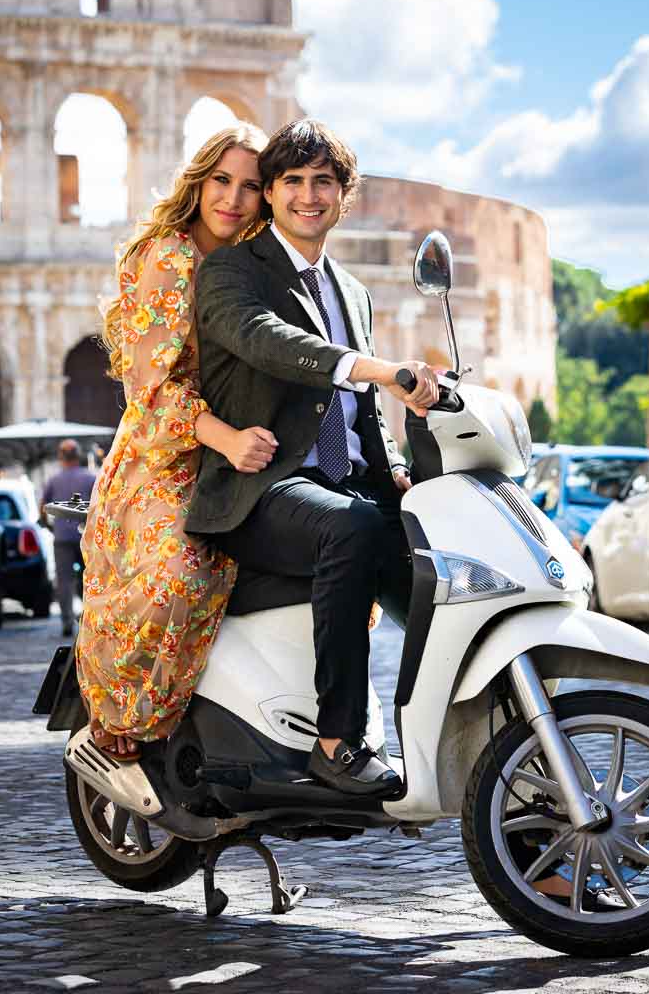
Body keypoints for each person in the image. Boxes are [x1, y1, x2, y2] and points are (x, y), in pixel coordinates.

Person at [186, 119, 439, 797]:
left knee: (450, 569)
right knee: (350, 529)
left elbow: (362, 416)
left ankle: (491, 742)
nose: (307, 195)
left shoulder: (353, 291)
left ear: (343, 194)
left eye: (322, 181)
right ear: (269, 194)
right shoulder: (232, 271)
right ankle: (336, 743)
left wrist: (395, 473)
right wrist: (377, 369)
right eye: (292, 181)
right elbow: (267, 340)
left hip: (349, 487)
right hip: (260, 491)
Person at [76, 124, 276, 762]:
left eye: (250, 186)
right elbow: (152, 389)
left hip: (241, 447)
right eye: (223, 180)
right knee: (179, 572)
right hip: (163, 457)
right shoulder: (171, 254)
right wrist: (227, 438)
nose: (234, 199)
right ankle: (118, 717)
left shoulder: (254, 262)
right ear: (199, 180)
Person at [40, 440, 96, 636]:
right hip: (87, 536)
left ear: (60, 457)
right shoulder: (91, 478)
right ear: (78, 456)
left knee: (64, 581)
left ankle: (66, 622)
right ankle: (90, 619)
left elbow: (43, 507)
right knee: (91, 577)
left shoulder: (53, 480)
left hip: (62, 537)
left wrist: (49, 526)